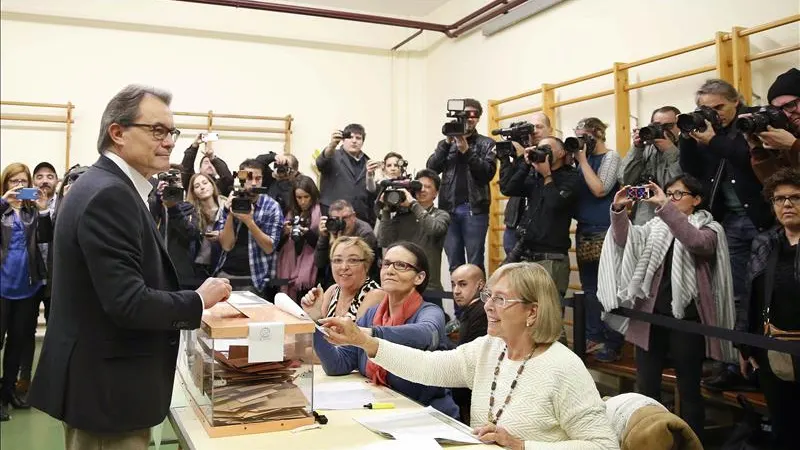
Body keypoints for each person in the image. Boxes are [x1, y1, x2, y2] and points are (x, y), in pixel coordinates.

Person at [28, 85, 232, 449]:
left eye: (172, 132)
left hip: (104, 386)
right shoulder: (110, 193)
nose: (168, 141)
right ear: (118, 133)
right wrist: (197, 301)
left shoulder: (110, 187)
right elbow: (128, 302)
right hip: (108, 395)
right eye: (157, 130)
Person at [320, 262, 619, 449]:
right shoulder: (490, 348)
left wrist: (523, 445)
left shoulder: (562, 366)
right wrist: (365, 342)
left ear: (532, 312)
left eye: (500, 299)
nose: (488, 306)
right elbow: (428, 366)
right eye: (488, 296)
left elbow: (604, 445)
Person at [597, 174, 736, 439]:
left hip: (687, 320)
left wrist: (665, 208)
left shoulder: (710, 228)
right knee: (646, 387)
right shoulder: (654, 227)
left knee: (689, 391)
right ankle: (647, 440)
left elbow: (695, 242)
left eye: (677, 195)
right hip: (651, 319)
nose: (670, 199)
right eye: (668, 193)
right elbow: (625, 240)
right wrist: (618, 209)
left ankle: (692, 442)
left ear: (696, 200)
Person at [679, 79, 772, 392]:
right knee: (734, 295)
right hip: (730, 221)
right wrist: (689, 137)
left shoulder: (753, 121)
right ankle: (735, 364)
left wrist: (713, 140)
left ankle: (768, 366)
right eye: (709, 108)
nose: (715, 114)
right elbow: (690, 171)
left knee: (766, 293)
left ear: (736, 101)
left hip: (765, 218)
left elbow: (749, 159)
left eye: (720, 107)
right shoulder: (707, 130)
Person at [314, 241, 460, 418]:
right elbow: (338, 364)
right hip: (386, 411)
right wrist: (313, 323)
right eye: (387, 264)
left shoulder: (430, 312)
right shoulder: (372, 314)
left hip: (429, 416)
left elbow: (428, 334)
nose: (390, 270)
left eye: (401, 265)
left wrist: (370, 335)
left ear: (419, 277)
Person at [736, 168, 800, 450]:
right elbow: (751, 295)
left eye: (796, 197)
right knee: (784, 428)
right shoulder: (764, 242)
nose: (787, 204)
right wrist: (745, 347)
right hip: (771, 351)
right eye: (779, 199)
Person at [0, 163, 52, 421]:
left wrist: (43, 212)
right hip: (2, 287)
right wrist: (3, 202)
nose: (19, 186)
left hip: (27, 287)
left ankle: (8, 392)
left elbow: (46, 239)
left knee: (18, 343)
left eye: (23, 181)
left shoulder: (33, 211)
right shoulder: (1, 209)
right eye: (13, 181)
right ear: (6, 183)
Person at [572, 118, 624, 363]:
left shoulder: (610, 157)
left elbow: (600, 189)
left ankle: (612, 342)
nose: (582, 141)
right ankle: (594, 337)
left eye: (585, 136)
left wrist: (582, 161)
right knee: (590, 289)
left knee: (608, 288)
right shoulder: (580, 160)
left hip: (606, 228)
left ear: (598, 134)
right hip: (584, 228)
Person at [501, 136, 579, 298]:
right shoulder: (534, 176)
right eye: (540, 149)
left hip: (551, 260)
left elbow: (555, 204)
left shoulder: (571, 177)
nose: (543, 153)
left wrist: (547, 176)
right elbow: (508, 189)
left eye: (547, 149)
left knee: (549, 317)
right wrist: (525, 162)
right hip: (526, 255)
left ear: (561, 152)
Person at [427, 99, 496, 273]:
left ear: (478, 119)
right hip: (448, 209)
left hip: (474, 209)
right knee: (454, 266)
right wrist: (446, 143)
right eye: (464, 115)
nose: (468, 119)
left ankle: (477, 302)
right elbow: (431, 168)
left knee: (474, 265)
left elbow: (486, 174)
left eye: (473, 115)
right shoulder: (447, 143)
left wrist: (467, 150)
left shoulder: (486, 143)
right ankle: (460, 300)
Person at [214, 159, 283, 296]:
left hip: (254, 277)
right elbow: (227, 245)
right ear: (241, 178)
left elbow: (269, 247)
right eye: (249, 178)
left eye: (258, 178)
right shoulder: (229, 202)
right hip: (226, 273)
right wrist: (230, 214)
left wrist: (249, 222)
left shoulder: (271, 206)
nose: (254, 183)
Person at [376, 169, 450, 293]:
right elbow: (385, 240)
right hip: (402, 286)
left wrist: (413, 204)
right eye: (420, 186)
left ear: (436, 193)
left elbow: (434, 230)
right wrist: (386, 210)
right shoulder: (402, 216)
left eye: (428, 187)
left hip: (429, 287)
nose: (422, 190)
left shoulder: (441, 215)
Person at [499, 112, 552, 255]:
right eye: (531, 128)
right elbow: (506, 186)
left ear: (550, 129)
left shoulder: (555, 153)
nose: (534, 131)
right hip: (514, 224)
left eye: (539, 127)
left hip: (540, 229)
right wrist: (510, 159)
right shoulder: (519, 152)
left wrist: (526, 156)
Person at [620, 106, 683, 224]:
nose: (662, 131)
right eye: (657, 126)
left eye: (668, 126)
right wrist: (637, 149)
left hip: (673, 221)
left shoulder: (688, 149)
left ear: (679, 126)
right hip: (643, 219)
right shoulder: (645, 149)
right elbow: (625, 180)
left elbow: (678, 189)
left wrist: (669, 150)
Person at [300, 236, 383, 320]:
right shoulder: (332, 291)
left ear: (367, 265)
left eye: (353, 260)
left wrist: (318, 321)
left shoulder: (374, 295)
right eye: (338, 260)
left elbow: (354, 333)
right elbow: (320, 330)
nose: (344, 267)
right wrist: (314, 316)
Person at [150, 165, 201, 289]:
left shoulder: (189, 207)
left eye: (175, 180)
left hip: (182, 273)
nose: (171, 184)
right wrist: (157, 199)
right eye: (167, 180)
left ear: (182, 183)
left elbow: (191, 234)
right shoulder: (153, 205)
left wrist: (173, 208)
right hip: (156, 270)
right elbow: (148, 225)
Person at [448, 263, 487, 424]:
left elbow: (473, 360)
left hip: (474, 395)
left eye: (463, 284)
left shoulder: (482, 312)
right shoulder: (471, 311)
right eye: (453, 284)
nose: (456, 290)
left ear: (480, 285)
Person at [317, 124, 376, 225]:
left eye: (358, 138)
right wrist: (332, 145)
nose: (354, 141)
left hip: (359, 218)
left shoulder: (368, 161)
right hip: (334, 217)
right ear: (343, 140)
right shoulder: (333, 155)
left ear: (362, 142)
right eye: (350, 137)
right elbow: (320, 163)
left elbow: (370, 192)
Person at [748, 68, 800, 182]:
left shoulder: (790, 140)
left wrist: (794, 145)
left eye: (790, 105)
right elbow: (776, 187)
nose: (786, 114)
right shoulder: (788, 134)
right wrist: (759, 150)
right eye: (779, 110)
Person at [315, 199, 379, 288]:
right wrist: (323, 237)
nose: (341, 222)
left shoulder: (365, 232)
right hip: (335, 280)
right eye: (336, 219)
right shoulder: (330, 228)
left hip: (360, 281)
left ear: (353, 216)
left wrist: (336, 243)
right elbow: (319, 263)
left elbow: (360, 267)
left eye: (345, 218)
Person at [277, 176, 321, 299]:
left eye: (306, 197)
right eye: (299, 197)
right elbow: (277, 246)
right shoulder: (290, 213)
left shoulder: (320, 212)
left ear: (312, 195)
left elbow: (321, 245)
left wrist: (307, 233)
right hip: (289, 267)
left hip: (311, 272)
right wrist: (284, 232)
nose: (302, 201)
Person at [185, 173, 225, 279]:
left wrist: (221, 236)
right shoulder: (191, 212)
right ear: (194, 192)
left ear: (212, 185)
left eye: (205, 183)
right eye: (197, 186)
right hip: (197, 266)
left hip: (221, 265)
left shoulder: (225, 207)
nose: (202, 187)